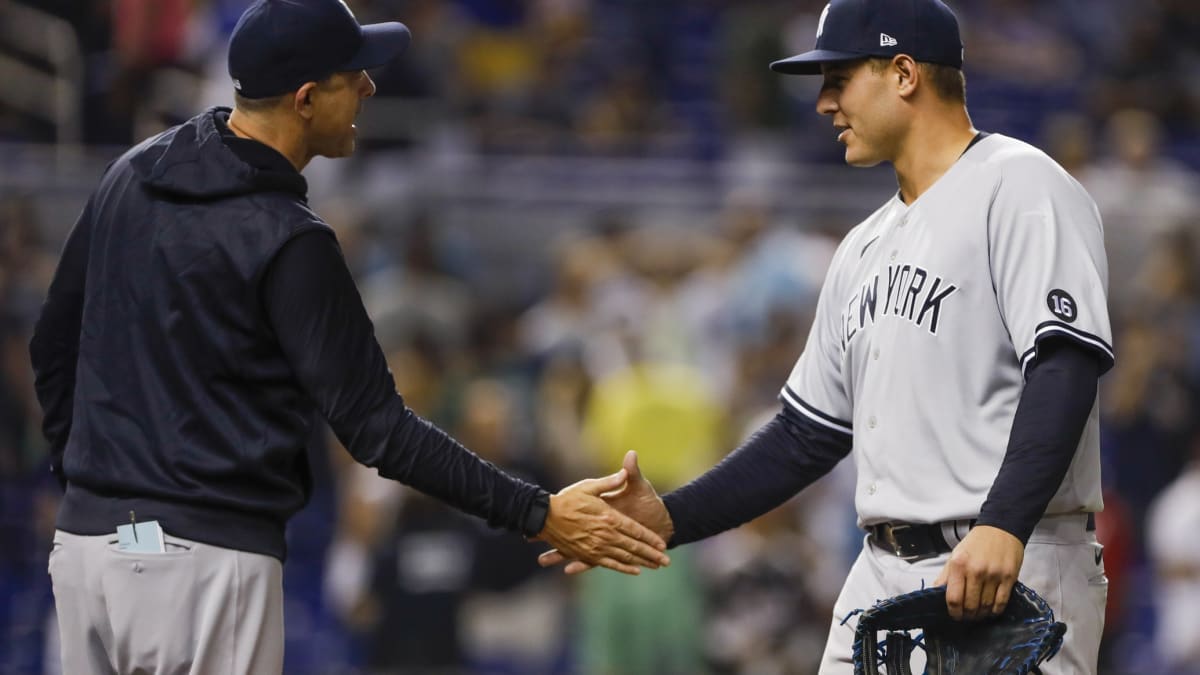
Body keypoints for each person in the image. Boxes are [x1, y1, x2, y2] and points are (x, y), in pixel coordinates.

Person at [29, 1, 669, 673]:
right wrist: (538, 510)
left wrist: (93, 488)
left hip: (90, 551)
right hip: (201, 565)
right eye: (351, 74)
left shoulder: (129, 175)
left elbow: (52, 348)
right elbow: (378, 431)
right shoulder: (288, 237)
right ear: (306, 98)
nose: (368, 86)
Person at [541, 1, 1112, 672]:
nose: (823, 103)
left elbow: (1065, 364)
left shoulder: (1020, 185)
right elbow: (804, 434)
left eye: (838, 78)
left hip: (1006, 560)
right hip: (879, 570)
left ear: (903, 73)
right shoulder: (861, 248)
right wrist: (671, 517)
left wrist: (1004, 523)